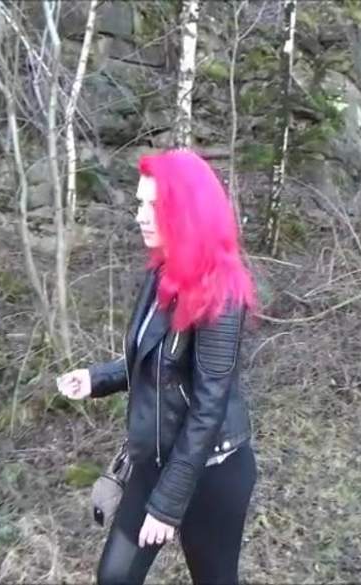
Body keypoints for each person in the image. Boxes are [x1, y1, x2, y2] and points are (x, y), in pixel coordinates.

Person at [56, 149, 258, 585]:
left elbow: (208, 408)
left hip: (211, 471)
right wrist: (98, 378)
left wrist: (168, 504)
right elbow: (156, 363)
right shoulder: (162, 273)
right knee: (114, 577)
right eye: (139, 204)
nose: (140, 216)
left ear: (185, 212)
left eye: (153, 205)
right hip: (156, 458)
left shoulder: (221, 292)